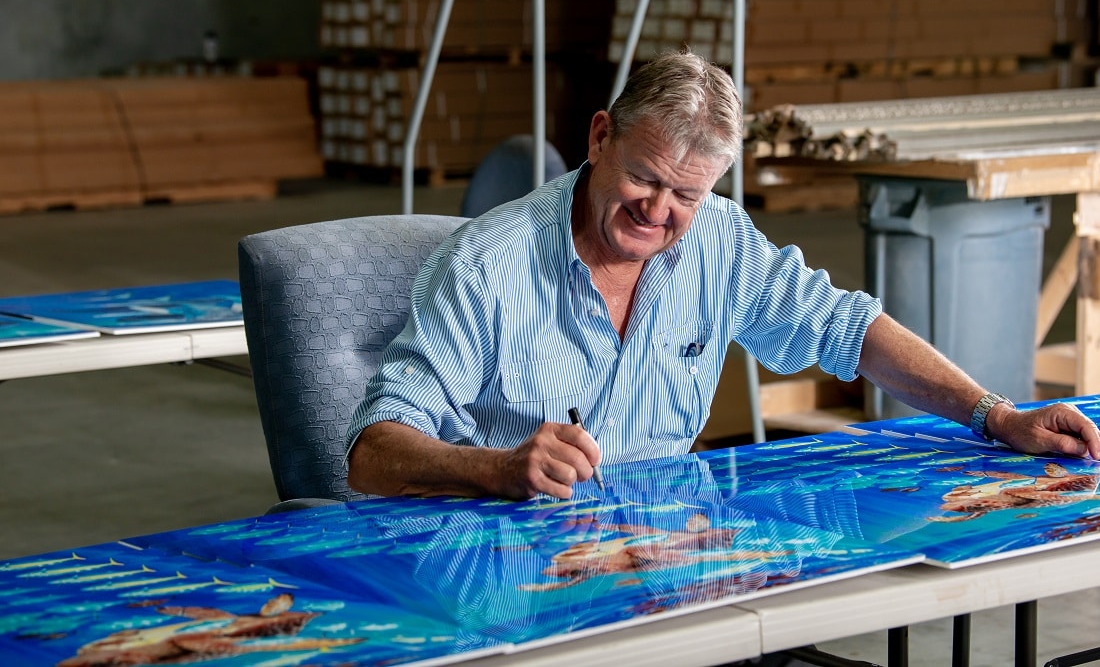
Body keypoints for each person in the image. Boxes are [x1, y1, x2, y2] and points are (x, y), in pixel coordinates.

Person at [346, 49, 1100, 501]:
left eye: (687, 195)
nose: (658, 213)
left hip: (656, 555)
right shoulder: (485, 268)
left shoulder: (719, 241)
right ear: (600, 136)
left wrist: (995, 416)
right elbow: (372, 452)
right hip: (510, 560)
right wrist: (497, 469)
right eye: (644, 178)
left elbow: (847, 327)